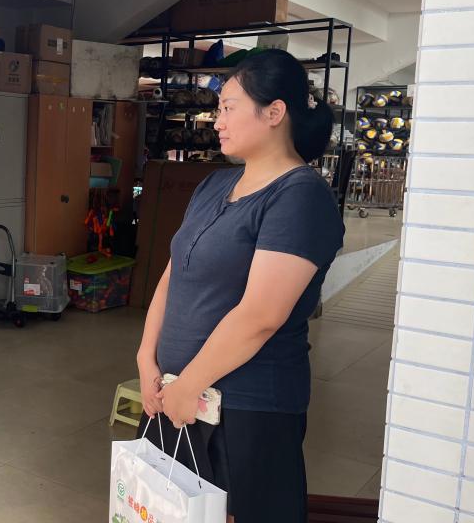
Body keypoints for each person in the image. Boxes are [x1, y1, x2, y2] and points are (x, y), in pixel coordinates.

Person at [135, 49, 345, 523]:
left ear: (274, 112)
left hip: (247, 408)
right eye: (218, 108)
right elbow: (173, 275)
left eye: (229, 107)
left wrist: (189, 384)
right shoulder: (213, 184)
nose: (217, 120)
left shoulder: (300, 196)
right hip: (177, 395)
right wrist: (147, 359)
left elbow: (260, 316)